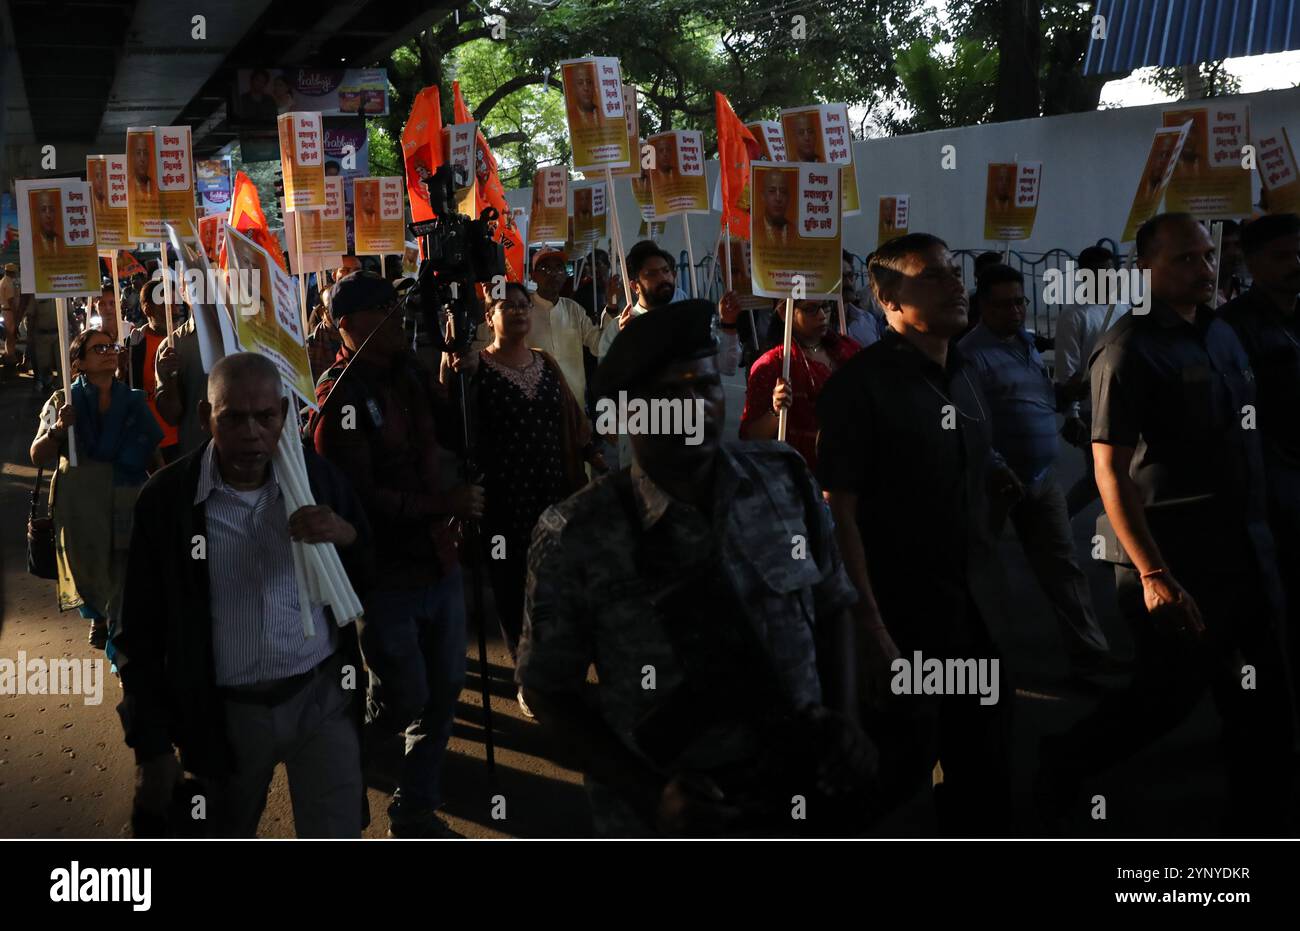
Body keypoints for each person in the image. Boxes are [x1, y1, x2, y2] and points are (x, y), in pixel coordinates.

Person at [518, 299, 873, 837]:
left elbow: (832, 601)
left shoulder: (782, 477)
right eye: (674, 392)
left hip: (802, 786)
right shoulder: (577, 530)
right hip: (678, 814)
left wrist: (844, 718)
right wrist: (651, 792)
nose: (699, 405)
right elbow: (548, 690)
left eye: (706, 385)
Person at [1037, 213, 1295, 833]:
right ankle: (1063, 759)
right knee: (1165, 699)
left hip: (1245, 548)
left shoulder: (1223, 334)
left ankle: (1263, 814)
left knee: (1262, 695)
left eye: (1207, 256)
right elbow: (1110, 473)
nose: (1203, 268)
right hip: (1174, 557)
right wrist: (1154, 573)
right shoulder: (1129, 349)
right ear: (1145, 270)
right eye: (1184, 259)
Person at [115, 352, 372, 837]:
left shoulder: (316, 481)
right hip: (223, 719)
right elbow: (139, 633)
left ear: (284, 415)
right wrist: (150, 747)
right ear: (203, 418)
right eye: (233, 417)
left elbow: (369, 566)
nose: (252, 433)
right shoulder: (168, 501)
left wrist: (345, 534)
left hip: (320, 698)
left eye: (265, 417)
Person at [816, 232, 1017, 834]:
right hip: (907, 616)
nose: (955, 284)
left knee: (986, 761)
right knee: (896, 767)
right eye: (932, 276)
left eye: (955, 272)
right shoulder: (859, 387)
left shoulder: (966, 370)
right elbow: (841, 515)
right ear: (889, 300)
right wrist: (871, 630)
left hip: (980, 606)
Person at [312, 272, 483, 838]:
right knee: (403, 696)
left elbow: (457, 435)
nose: (396, 316)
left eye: (397, 305)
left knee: (444, 694)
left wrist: (463, 375)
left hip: (441, 562)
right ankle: (341, 759)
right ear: (348, 325)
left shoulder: (409, 371)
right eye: (383, 309)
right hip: (387, 576)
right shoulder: (340, 396)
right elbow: (360, 499)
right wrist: (443, 503)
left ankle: (414, 808)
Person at [959, 264, 1113, 678]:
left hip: (1042, 477)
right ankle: (984, 665)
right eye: (1003, 304)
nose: (1015, 310)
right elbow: (970, 423)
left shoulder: (1024, 343)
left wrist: (1068, 396)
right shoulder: (970, 355)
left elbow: (1039, 399)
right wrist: (995, 466)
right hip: (997, 483)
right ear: (981, 307)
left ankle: (1090, 655)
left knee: (1064, 567)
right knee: (982, 572)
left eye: (1020, 302)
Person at [448, 283, 600, 661]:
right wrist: (455, 372)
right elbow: (453, 425)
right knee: (512, 584)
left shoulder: (544, 361)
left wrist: (595, 456)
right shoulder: (475, 366)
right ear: (489, 317)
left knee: (555, 578)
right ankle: (525, 668)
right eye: (507, 306)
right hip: (503, 502)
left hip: (553, 492)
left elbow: (571, 419)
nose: (518, 312)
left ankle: (557, 661)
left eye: (523, 306)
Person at [30, 328, 163, 650]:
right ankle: (98, 617)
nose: (109, 351)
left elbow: (153, 455)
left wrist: (164, 492)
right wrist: (60, 430)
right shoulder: (62, 400)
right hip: (80, 506)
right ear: (79, 363)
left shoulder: (133, 400)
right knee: (89, 570)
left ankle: (121, 647)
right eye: (98, 348)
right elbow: (37, 454)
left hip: (126, 498)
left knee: (125, 576)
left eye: (111, 346)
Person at [1220, 212, 1300, 681]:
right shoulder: (1231, 328)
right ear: (1252, 263)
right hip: (1269, 489)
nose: (1296, 263)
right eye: (1283, 256)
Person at [470, 248, 603, 405]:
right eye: (545, 268)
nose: (553, 274)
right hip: (534, 404)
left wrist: (614, 313)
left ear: (566, 274)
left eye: (559, 268)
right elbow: (491, 342)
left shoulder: (574, 310)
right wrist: (491, 304)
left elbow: (599, 345)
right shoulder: (522, 309)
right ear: (533, 275)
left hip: (574, 402)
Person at [740, 299, 861, 470]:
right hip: (801, 476)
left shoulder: (849, 349)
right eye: (810, 309)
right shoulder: (772, 365)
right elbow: (750, 437)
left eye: (825, 306)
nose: (822, 316)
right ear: (784, 312)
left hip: (853, 469)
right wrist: (776, 411)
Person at [1055, 245, 1129, 518]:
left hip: (1124, 403)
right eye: (1098, 274)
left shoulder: (1124, 309)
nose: (1106, 279)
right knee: (1097, 479)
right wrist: (1072, 414)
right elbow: (1067, 369)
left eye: (1110, 273)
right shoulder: (1075, 315)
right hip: (1092, 409)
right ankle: (1057, 520)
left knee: (1127, 475)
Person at [122, 266, 180, 460]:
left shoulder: (184, 341)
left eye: (175, 302)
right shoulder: (134, 344)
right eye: (165, 302)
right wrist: (120, 369)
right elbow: (125, 387)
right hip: (144, 437)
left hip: (179, 438)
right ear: (147, 308)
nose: (174, 307)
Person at [837, 250, 884, 348]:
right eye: (840, 277)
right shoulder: (819, 326)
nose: (848, 282)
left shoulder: (867, 320)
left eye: (850, 275)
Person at [1215, 218, 1245, 307]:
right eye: (1223, 246)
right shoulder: (1198, 298)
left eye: (1238, 245)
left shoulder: (1244, 289)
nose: (1234, 253)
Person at [1, 262, 21, 366]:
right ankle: (10, 357)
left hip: (6, 311)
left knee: (10, 336)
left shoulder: (3, 281)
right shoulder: (8, 283)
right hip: (9, 312)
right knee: (11, 336)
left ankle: (9, 356)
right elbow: (10, 300)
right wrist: (16, 313)